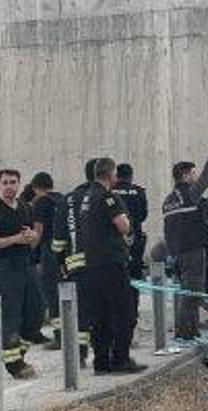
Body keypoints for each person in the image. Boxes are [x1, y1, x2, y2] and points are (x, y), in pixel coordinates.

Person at [79, 157, 145, 375]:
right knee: (124, 312)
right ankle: (121, 359)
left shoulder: (87, 197)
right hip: (111, 262)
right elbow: (124, 226)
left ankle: (101, 361)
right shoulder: (107, 197)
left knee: (100, 315)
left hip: (91, 264)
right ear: (110, 174)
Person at [0, 169, 42, 379]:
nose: (9, 186)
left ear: (18, 184)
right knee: (11, 317)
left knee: (36, 314)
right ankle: (14, 365)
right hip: (5, 270)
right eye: (4, 182)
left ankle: (17, 355)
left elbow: (34, 238)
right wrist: (14, 239)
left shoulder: (26, 208)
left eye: (13, 182)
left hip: (27, 266)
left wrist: (33, 237)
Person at [162, 151, 208, 347]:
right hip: (193, 252)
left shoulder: (169, 200)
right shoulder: (191, 194)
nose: (197, 177)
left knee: (187, 294)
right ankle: (186, 336)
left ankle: (189, 332)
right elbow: (207, 175)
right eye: (193, 173)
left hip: (176, 254)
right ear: (186, 176)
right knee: (193, 294)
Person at [52, 159, 97, 367]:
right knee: (104, 309)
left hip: (75, 266)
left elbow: (59, 238)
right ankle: (104, 352)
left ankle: (79, 354)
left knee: (81, 312)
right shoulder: (103, 196)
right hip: (102, 265)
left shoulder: (68, 199)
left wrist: (60, 261)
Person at [29, 172, 64, 350]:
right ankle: (70, 332)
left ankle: (59, 336)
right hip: (64, 253)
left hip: (48, 253)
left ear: (36, 188)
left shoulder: (41, 202)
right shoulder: (62, 199)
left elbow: (38, 232)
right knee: (64, 294)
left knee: (51, 295)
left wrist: (30, 252)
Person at [112, 163, 148, 328]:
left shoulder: (110, 193)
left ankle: (117, 312)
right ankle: (132, 311)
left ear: (116, 176)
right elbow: (142, 215)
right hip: (135, 240)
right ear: (131, 176)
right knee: (135, 276)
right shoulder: (139, 192)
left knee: (116, 276)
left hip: (115, 242)